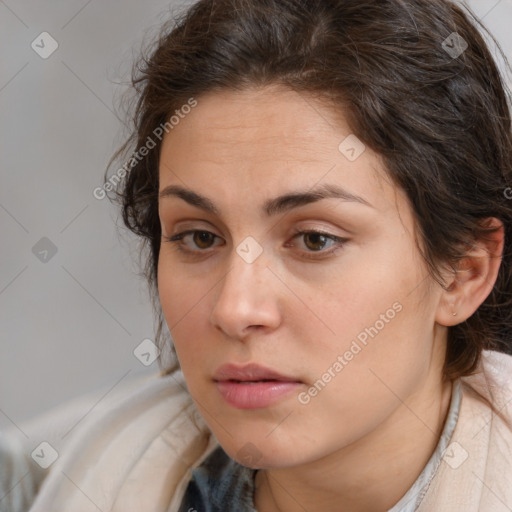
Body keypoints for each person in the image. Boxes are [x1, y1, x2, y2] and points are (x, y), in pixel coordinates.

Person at [4, 0, 512, 510]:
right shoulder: (62, 479)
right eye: (200, 237)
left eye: (315, 239)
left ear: (463, 274)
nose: (234, 309)